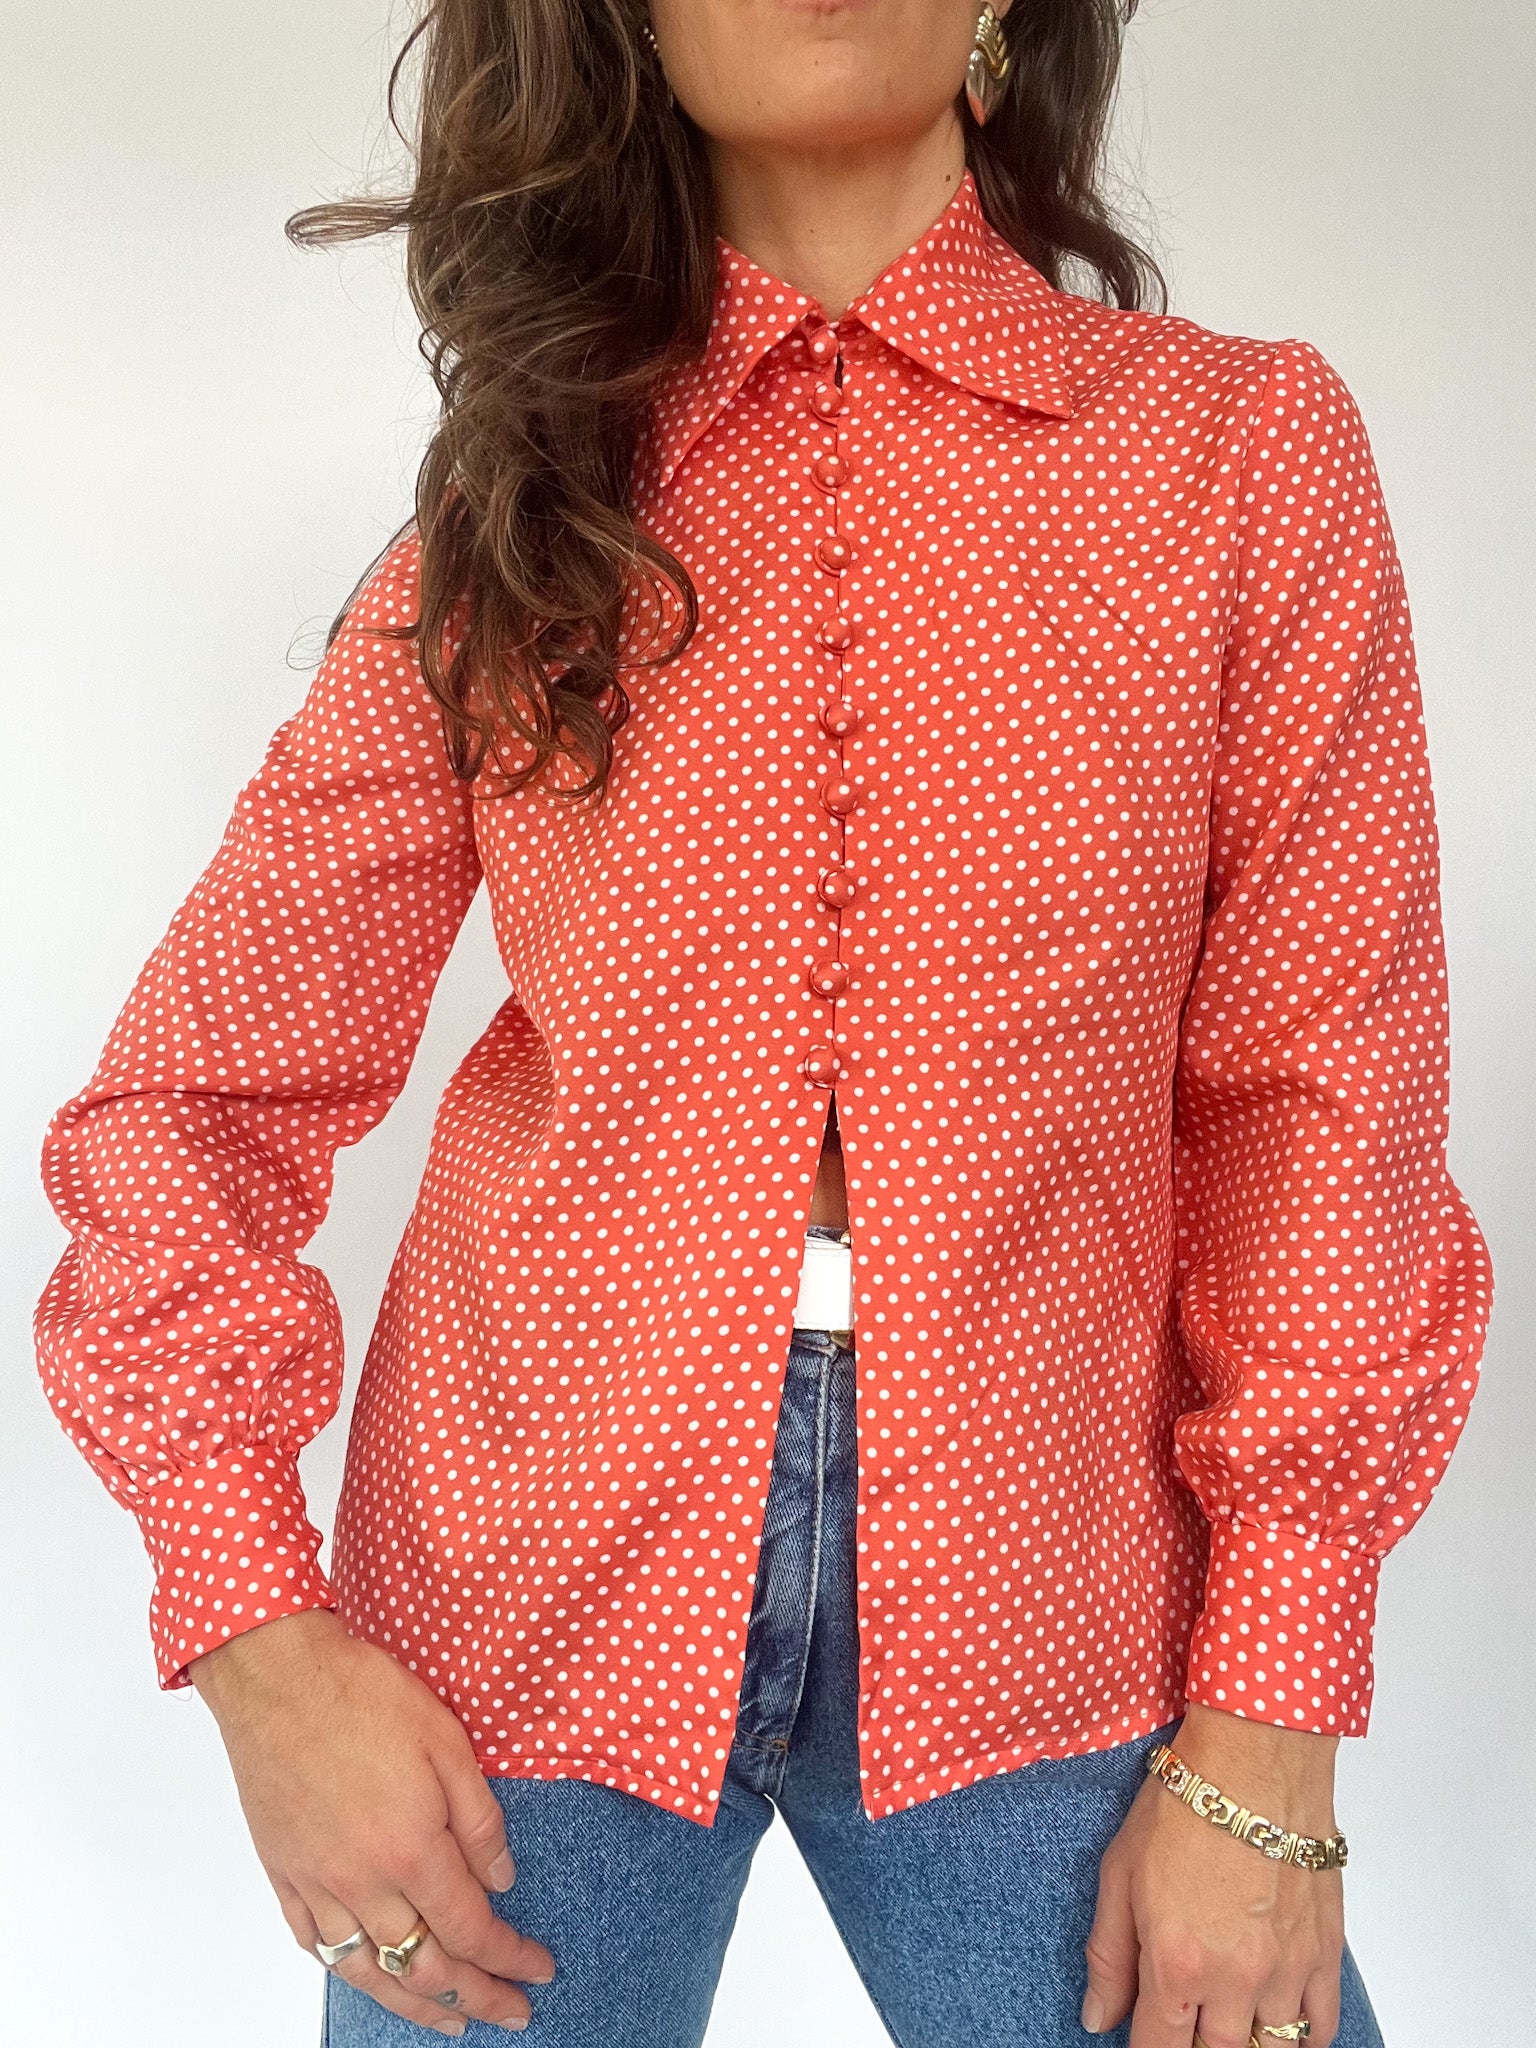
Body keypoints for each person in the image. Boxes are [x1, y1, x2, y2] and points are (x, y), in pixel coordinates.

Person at [32, 1, 1492, 2044]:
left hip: (1056, 1582)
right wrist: (257, 1639)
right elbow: (190, 1103)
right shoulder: (520, 511)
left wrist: (1273, 1730)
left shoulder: (1238, 451)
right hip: (525, 1580)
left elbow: (1324, 1108)